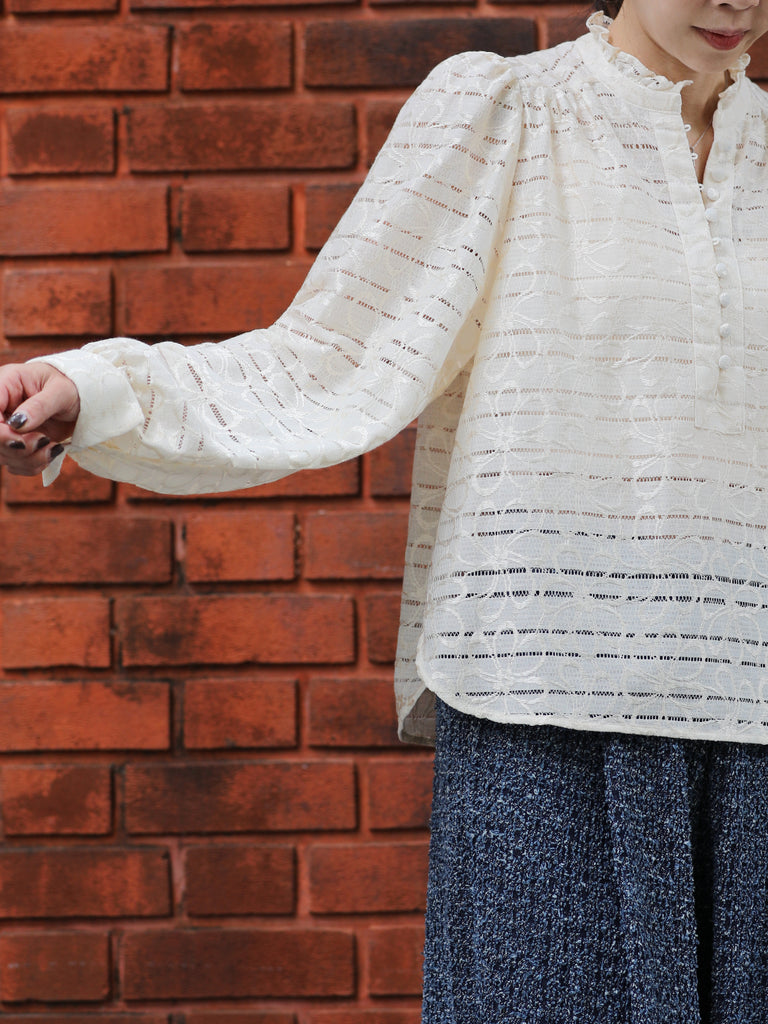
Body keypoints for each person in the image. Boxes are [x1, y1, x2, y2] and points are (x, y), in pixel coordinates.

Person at [1, 0, 768, 1020]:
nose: (737, 2)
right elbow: (325, 357)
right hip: (545, 702)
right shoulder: (507, 112)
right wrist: (98, 390)